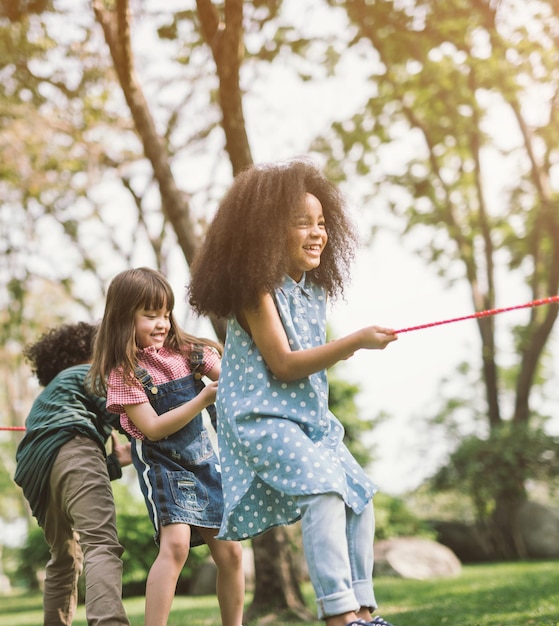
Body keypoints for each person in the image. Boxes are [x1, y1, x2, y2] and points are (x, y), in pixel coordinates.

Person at [187, 158, 398, 626]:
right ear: (266, 231)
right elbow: (283, 365)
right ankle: (340, 615)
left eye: (322, 223)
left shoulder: (312, 291)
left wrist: (349, 343)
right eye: (302, 223)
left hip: (310, 423)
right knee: (324, 492)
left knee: (358, 496)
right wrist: (355, 342)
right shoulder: (255, 290)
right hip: (260, 419)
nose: (317, 232)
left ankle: (363, 613)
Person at [88, 267, 245, 626]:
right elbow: (154, 429)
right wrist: (203, 398)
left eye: (165, 313)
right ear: (124, 318)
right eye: (149, 315)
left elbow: (232, 379)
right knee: (175, 546)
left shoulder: (189, 353)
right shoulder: (125, 373)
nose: (161, 323)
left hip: (204, 461)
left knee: (232, 553)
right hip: (164, 466)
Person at [14, 322, 131, 626]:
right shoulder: (87, 372)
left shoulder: (52, 393)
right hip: (72, 445)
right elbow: (121, 412)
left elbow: (67, 474)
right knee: (101, 543)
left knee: (65, 557)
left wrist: (115, 461)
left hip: (33, 471)